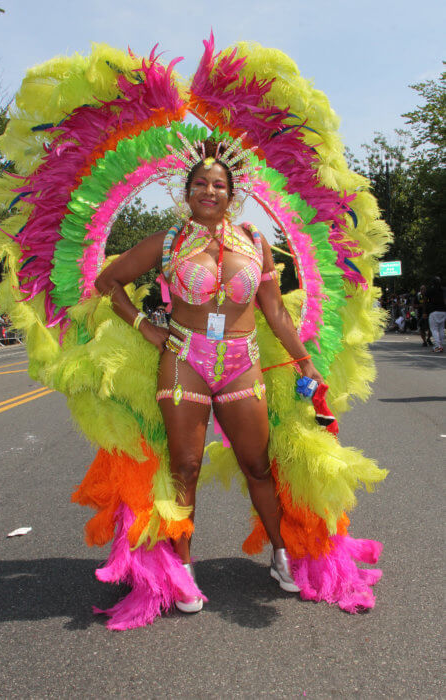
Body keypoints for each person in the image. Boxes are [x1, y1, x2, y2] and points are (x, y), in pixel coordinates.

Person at [95, 138, 323, 611]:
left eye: (219, 184)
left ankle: (281, 555)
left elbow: (276, 312)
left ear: (231, 193)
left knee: (257, 465)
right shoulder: (167, 242)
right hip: (184, 361)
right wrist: (146, 327)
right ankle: (182, 567)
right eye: (200, 183)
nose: (209, 191)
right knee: (185, 469)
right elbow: (108, 281)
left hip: (242, 362)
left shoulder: (255, 242)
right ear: (188, 190)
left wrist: (304, 360)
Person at [425, 276, 446, 353]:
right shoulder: (443, 290)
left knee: (434, 329)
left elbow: (425, 301)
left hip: (433, 311)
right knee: (441, 329)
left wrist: (424, 312)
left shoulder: (430, 290)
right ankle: (441, 345)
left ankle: (437, 346)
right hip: (443, 311)